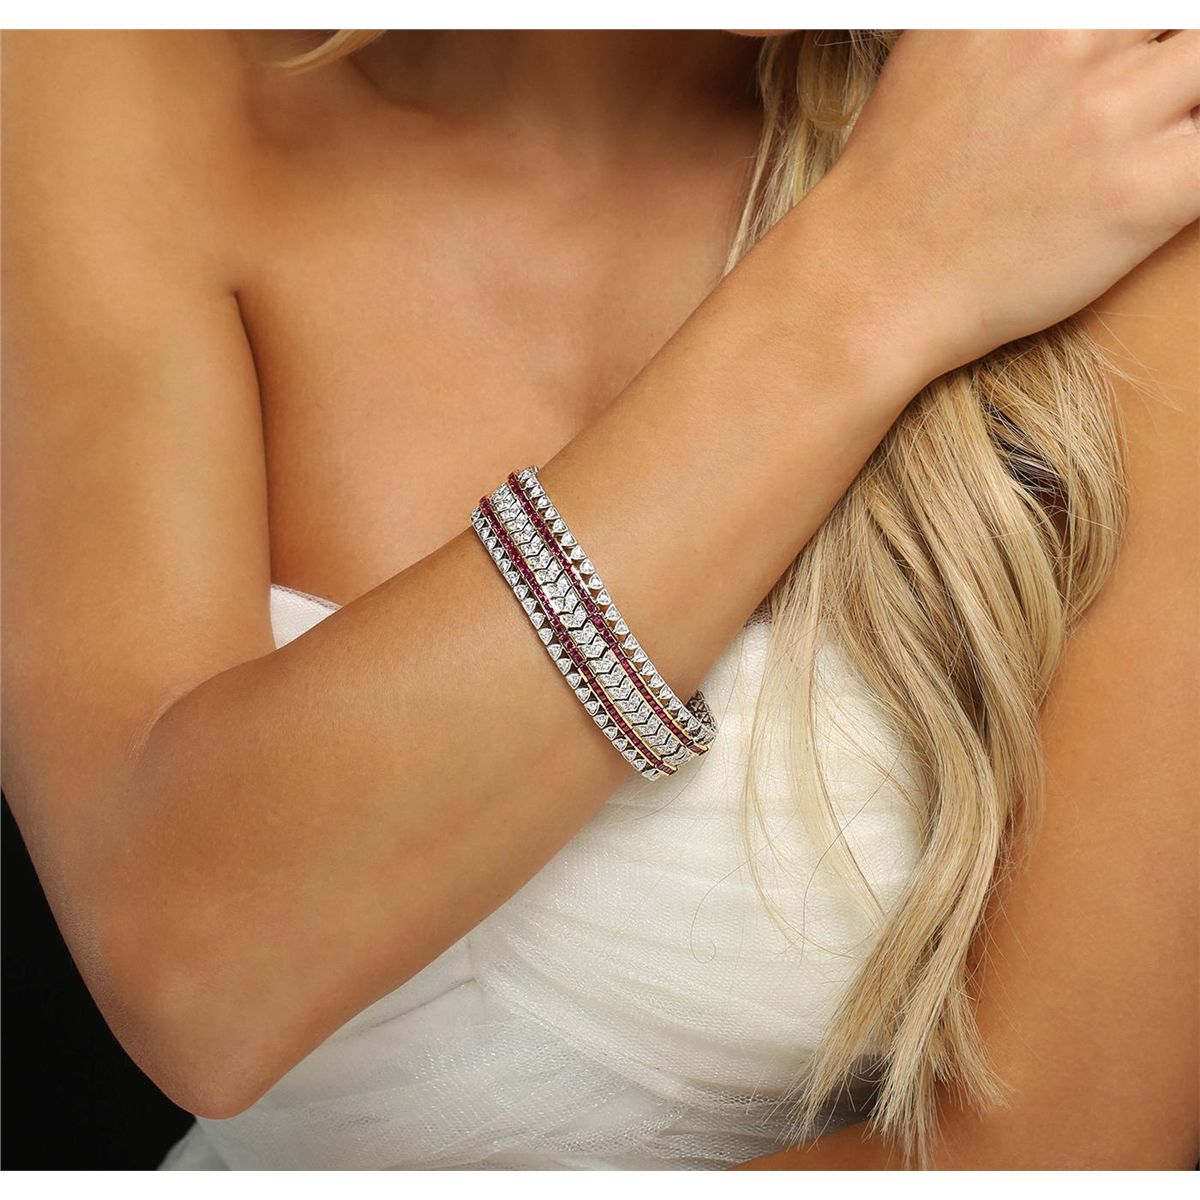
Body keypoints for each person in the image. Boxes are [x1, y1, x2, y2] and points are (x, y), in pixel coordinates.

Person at [2, 29, 1196, 1170]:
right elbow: (201, 977)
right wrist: (872, 275)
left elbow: (1062, 1151)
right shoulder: (95, 80)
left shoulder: (1109, 135)